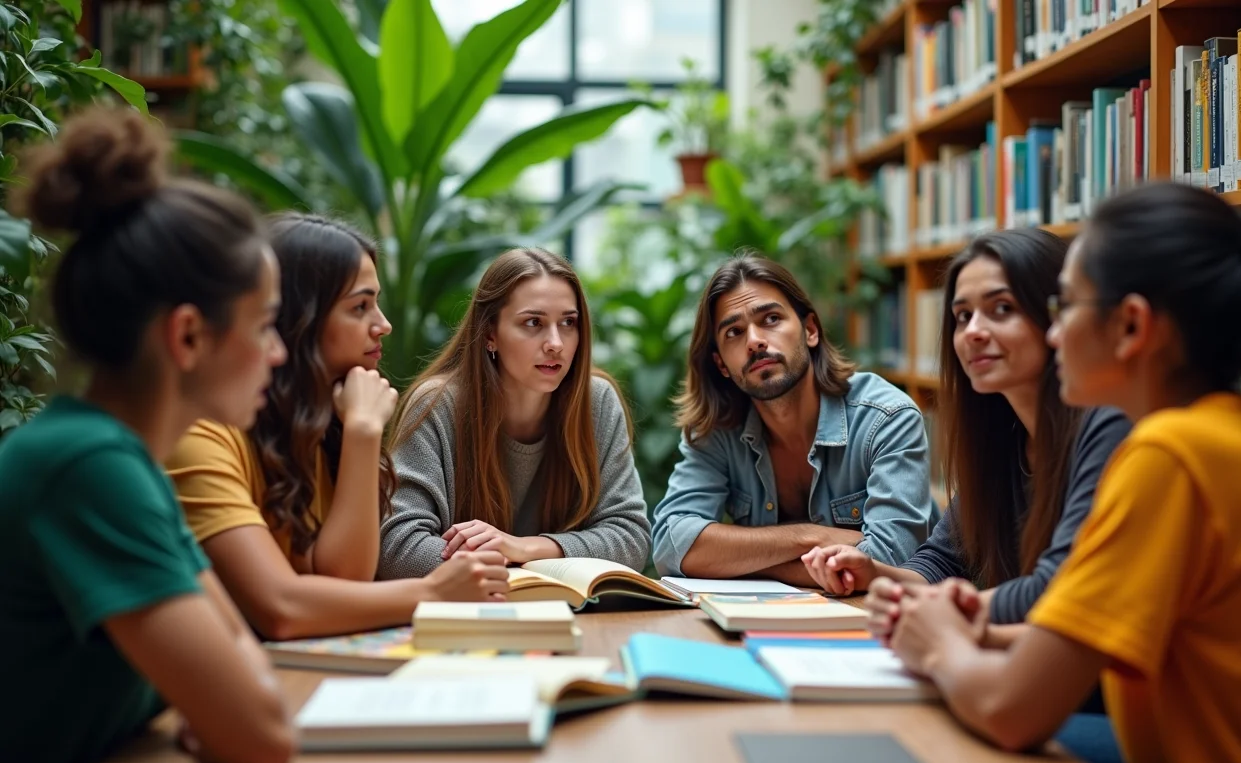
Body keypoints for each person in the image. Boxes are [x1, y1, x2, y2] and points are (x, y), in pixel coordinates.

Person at [878, 182, 1241, 763]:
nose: (1055, 331)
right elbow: (1094, 640)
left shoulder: (1169, 455)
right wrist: (973, 630)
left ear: (1131, 327)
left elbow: (1012, 711)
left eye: (1065, 306)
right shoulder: (1229, 435)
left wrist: (940, 647)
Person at [0, 109, 294, 763]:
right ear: (189, 336)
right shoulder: (88, 468)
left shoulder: (126, 461)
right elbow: (263, 733)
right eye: (265, 325)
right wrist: (221, 702)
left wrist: (223, 700)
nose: (277, 353)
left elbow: (244, 677)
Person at [166, 214, 509, 641]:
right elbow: (282, 610)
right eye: (359, 306)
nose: (383, 324)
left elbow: (343, 581)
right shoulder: (203, 434)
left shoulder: (317, 428)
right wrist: (434, 591)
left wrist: (361, 434)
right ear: (296, 320)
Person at [800, 230, 1130, 631]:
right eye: (962, 316)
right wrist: (875, 573)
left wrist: (949, 606)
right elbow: (941, 560)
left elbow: (1059, 587)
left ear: (1058, 314)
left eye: (1002, 308)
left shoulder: (1108, 427)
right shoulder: (1003, 437)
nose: (973, 331)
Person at [651, 254, 938, 585]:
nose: (755, 340)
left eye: (771, 319)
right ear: (721, 365)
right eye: (734, 332)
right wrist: (810, 536)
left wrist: (740, 562)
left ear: (810, 330)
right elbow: (672, 544)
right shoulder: (716, 431)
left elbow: (889, 561)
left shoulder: (886, 418)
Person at [378, 247, 650, 577]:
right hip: (469, 618)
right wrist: (509, 568)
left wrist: (526, 547)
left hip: (571, 617)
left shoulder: (596, 402)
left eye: (568, 323)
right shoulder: (437, 406)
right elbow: (398, 546)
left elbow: (631, 538)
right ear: (490, 334)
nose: (556, 343)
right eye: (533, 322)